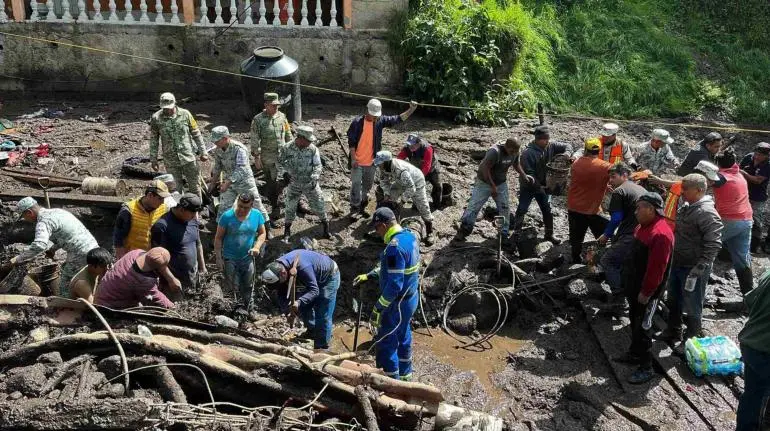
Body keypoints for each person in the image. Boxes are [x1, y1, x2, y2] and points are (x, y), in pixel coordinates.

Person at [353, 207, 419, 381]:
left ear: (382, 225)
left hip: (396, 303)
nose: (377, 233)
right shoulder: (410, 237)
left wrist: (378, 308)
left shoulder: (393, 248)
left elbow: (394, 285)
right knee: (404, 334)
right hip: (410, 300)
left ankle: (390, 382)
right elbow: (395, 270)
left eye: (376, 229)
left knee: (386, 341)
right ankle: (406, 376)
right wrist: (370, 275)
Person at [615, 192, 674, 384]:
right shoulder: (642, 227)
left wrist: (646, 293)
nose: (636, 211)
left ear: (650, 209)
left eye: (639, 207)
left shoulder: (661, 234)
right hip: (634, 285)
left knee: (644, 327)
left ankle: (646, 367)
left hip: (647, 292)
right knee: (634, 320)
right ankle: (634, 353)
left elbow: (657, 269)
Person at [660, 173, 723, 351]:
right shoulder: (688, 206)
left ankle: (693, 335)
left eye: (685, 188)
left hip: (693, 266)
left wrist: (701, 266)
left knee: (693, 302)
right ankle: (674, 329)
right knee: (674, 298)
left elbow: (714, 243)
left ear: (699, 190)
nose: (682, 191)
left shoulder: (706, 213)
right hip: (678, 261)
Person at [9, 197, 99, 297]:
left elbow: (39, 245)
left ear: (29, 212)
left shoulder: (43, 222)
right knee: (84, 276)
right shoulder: (57, 212)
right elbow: (68, 235)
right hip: (93, 248)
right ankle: (88, 300)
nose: (26, 220)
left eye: (24, 216)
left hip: (80, 253)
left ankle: (66, 306)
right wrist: (53, 249)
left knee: (66, 284)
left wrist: (19, 258)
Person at [347, 99, 418, 217]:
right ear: (367, 111)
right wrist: (353, 159)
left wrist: (411, 109)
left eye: (377, 116)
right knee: (355, 184)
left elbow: (398, 119)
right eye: (373, 116)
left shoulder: (380, 121)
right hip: (357, 162)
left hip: (372, 162)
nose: (375, 118)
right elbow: (352, 142)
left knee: (367, 185)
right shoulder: (357, 122)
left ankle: (363, 204)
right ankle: (354, 207)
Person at [261, 250, 340, 350]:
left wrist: (299, 302)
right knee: (304, 307)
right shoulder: (279, 270)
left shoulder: (302, 267)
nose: (279, 286)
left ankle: (321, 347)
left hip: (328, 278)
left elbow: (314, 290)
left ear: (283, 273)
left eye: (278, 283)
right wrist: (287, 311)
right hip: (309, 278)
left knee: (322, 314)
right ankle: (312, 331)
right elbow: (281, 294)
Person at [458, 138, 531, 240]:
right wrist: (492, 187)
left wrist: (524, 175)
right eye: (511, 151)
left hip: (501, 182)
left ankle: (503, 233)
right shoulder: (494, 152)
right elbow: (485, 169)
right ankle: (464, 229)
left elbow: (516, 164)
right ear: (506, 146)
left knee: (504, 207)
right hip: (484, 182)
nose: (513, 153)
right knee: (474, 206)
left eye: (515, 152)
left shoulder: (515, 152)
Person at [704, 153, 754, 295]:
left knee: (706, 248)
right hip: (746, 219)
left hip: (730, 220)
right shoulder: (738, 175)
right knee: (742, 258)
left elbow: (700, 184)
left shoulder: (721, 177)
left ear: (717, 164)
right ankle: (749, 295)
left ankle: (699, 286)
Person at [514, 125, 572, 245]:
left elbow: (568, 145)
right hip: (528, 186)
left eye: (548, 138)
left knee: (547, 210)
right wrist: (540, 187)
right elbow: (529, 174)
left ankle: (549, 234)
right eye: (544, 139)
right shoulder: (527, 153)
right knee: (522, 209)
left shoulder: (551, 146)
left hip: (544, 185)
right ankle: (516, 234)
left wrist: (567, 153)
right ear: (537, 139)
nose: (547, 141)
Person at [598, 163, 647, 294]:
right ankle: (629, 290)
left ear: (624, 175)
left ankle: (618, 296)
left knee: (608, 261)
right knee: (628, 264)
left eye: (613, 177)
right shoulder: (640, 189)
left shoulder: (619, 191)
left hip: (631, 235)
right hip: (645, 235)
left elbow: (616, 218)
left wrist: (606, 235)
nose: (610, 181)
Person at [214, 192, 267, 312]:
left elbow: (263, 233)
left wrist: (257, 247)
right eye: (240, 206)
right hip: (230, 258)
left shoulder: (257, 215)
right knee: (233, 287)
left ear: (252, 205)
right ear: (237, 202)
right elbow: (218, 238)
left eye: (246, 207)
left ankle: (249, 310)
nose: (242, 210)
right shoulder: (227, 216)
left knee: (249, 286)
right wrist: (218, 258)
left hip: (247, 257)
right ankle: (234, 311)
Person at [278, 125, 331, 241]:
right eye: (308, 140)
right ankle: (287, 231)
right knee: (290, 207)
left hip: (310, 183)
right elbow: (280, 162)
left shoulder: (313, 149)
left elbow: (318, 165)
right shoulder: (287, 148)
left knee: (319, 204)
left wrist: (315, 177)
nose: (310, 142)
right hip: (294, 183)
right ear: (300, 138)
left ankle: (326, 228)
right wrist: (284, 173)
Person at [149, 92, 208, 195]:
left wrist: (203, 151)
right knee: (175, 190)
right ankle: (179, 209)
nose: (167, 110)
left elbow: (196, 133)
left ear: (175, 103)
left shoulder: (186, 114)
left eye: (169, 107)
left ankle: (197, 209)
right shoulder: (156, 118)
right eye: (165, 108)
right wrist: (153, 159)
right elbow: (154, 139)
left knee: (195, 187)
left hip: (188, 158)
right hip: (171, 160)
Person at [209, 126, 270, 224]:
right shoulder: (218, 150)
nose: (215, 143)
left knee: (256, 204)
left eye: (217, 141)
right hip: (229, 182)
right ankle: (221, 229)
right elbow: (217, 167)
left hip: (244, 181)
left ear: (225, 138)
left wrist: (227, 183)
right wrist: (212, 183)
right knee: (223, 207)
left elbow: (241, 169)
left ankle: (266, 226)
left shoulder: (239, 149)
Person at [374, 150, 435, 245]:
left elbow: (412, 188)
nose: (378, 165)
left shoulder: (400, 169)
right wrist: (387, 194)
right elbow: (384, 181)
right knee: (391, 198)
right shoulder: (383, 167)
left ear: (386, 162)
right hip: (400, 182)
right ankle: (394, 226)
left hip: (416, 182)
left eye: (380, 163)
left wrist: (402, 201)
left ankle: (430, 232)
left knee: (423, 207)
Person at [735, 268, 770, 431]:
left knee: (752, 394)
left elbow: (749, 300)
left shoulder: (768, 274)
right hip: (765, 351)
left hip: (749, 343)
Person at [567, 138, 612, 263]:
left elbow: (585, 178)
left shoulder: (575, 164)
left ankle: (575, 260)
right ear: (599, 150)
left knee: (576, 237)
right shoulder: (605, 167)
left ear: (585, 149)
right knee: (603, 234)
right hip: (592, 209)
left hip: (574, 207)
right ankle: (603, 258)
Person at [250, 92, 293, 222]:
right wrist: (256, 157)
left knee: (287, 178)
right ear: (266, 105)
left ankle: (290, 201)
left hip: (283, 155)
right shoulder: (258, 120)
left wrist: (292, 150)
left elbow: (288, 133)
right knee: (271, 182)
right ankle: (275, 205)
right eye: (273, 105)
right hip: (267, 157)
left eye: (277, 105)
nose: (276, 108)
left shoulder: (282, 117)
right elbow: (254, 139)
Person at [150, 194, 206, 292]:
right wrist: (171, 279)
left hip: (193, 278)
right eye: (192, 213)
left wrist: (203, 267)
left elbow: (198, 243)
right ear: (182, 209)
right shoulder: (162, 226)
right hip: (173, 282)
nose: (194, 216)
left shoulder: (192, 220)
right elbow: (157, 259)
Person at [94, 247, 180, 309]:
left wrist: (171, 279)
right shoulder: (143, 281)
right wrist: (172, 307)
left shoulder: (136, 253)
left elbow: (158, 264)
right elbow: (156, 298)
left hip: (103, 291)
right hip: (108, 306)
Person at [113, 180, 170, 259]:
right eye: (160, 198)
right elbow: (118, 238)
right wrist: (122, 260)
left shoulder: (164, 209)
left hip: (153, 258)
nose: (163, 202)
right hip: (132, 258)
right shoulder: (128, 210)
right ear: (150, 195)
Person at [396, 133, 443, 210]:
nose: (410, 147)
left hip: (433, 169)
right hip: (417, 170)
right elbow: (399, 159)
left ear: (419, 143)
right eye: (409, 144)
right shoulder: (407, 149)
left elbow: (427, 166)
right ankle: (416, 206)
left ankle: (437, 204)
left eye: (413, 145)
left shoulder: (427, 149)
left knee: (438, 186)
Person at [739, 142, 770, 252]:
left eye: (761, 155)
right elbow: (738, 169)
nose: (757, 157)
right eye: (756, 154)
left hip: (757, 196)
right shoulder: (748, 157)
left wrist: (743, 173)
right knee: (741, 218)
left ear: (767, 156)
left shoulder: (768, 164)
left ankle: (754, 245)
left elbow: (757, 180)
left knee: (755, 220)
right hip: (743, 193)